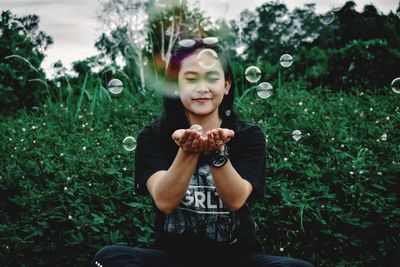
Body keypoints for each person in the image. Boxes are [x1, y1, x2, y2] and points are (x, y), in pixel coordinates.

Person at [92, 37, 313, 267]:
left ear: (226, 85)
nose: (202, 88)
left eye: (212, 77)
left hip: (236, 257)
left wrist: (218, 151)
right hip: (172, 257)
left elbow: (236, 200)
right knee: (108, 258)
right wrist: (187, 151)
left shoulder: (249, 136)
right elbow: (165, 201)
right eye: (190, 79)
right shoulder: (153, 137)